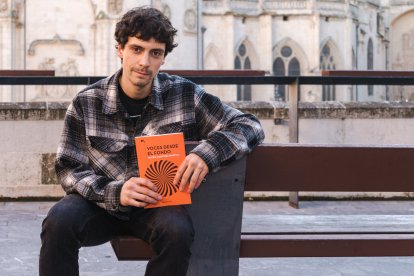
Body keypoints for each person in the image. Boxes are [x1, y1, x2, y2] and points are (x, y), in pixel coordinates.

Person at [39, 6, 264, 276]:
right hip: (101, 203)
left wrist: (206, 153)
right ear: (120, 49)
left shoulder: (184, 95)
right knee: (58, 222)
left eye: (155, 53)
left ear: (163, 59)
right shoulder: (87, 102)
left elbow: (248, 125)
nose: (144, 62)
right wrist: (116, 191)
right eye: (136, 49)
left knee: (178, 232)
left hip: (157, 205)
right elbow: (68, 168)